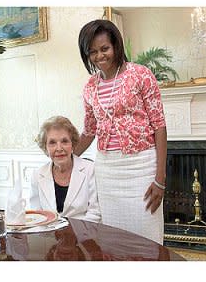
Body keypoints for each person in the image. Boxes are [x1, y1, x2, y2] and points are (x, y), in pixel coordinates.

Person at [75, 19, 167, 244]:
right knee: (114, 240)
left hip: (141, 168)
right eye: (93, 52)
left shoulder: (141, 75)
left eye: (104, 48)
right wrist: (66, 156)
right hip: (108, 171)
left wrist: (160, 179)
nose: (99, 56)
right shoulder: (90, 86)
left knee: (147, 237)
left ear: (116, 45)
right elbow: (89, 130)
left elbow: (159, 126)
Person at [29, 116, 101, 223]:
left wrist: (77, 237)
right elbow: (37, 214)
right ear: (46, 147)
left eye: (64, 141)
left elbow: (95, 213)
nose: (59, 148)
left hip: (83, 234)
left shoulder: (90, 170)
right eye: (52, 143)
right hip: (49, 236)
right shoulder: (37, 175)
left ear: (73, 144)